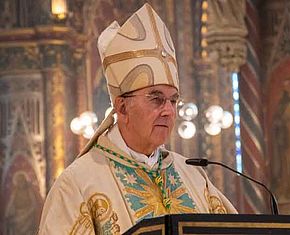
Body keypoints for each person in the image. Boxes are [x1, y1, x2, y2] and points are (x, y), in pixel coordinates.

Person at [38, 4, 237, 234]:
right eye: (156, 99)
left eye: (173, 101)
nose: (169, 111)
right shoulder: (77, 184)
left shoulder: (192, 174)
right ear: (122, 107)